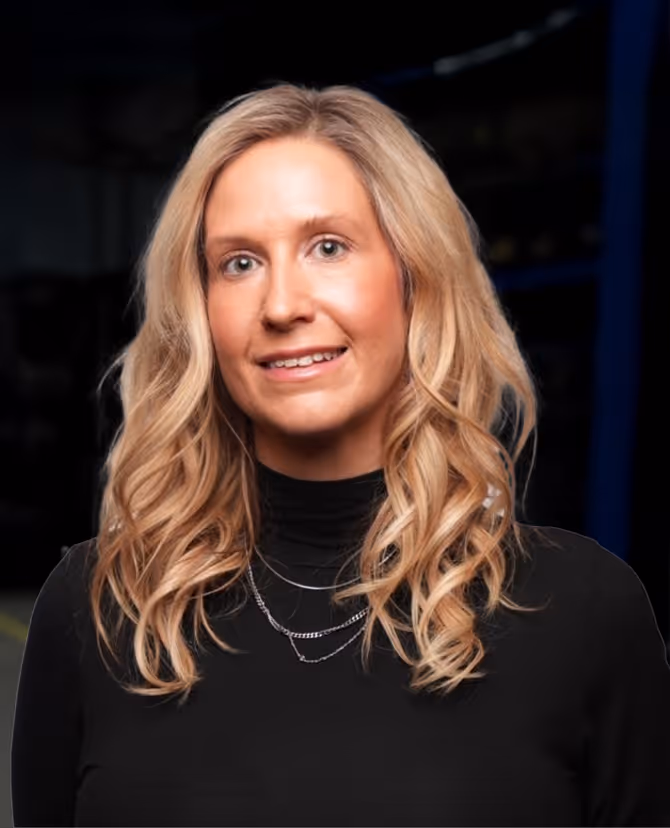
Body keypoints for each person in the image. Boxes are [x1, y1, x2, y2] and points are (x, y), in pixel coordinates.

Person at [10, 83, 670, 827]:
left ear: (416, 280)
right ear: (200, 313)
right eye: (239, 263)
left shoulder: (584, 614)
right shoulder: (96, 607)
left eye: (328, 246)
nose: (283, 304)